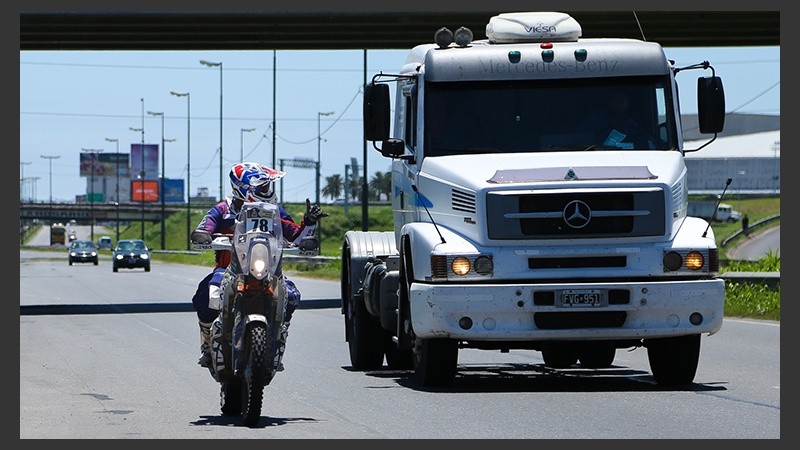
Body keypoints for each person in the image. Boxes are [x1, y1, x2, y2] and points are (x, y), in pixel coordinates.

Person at [190, 161, 327, 369]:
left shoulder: (275, 211)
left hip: (268, 270)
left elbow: (297, 238)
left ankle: (279, 340)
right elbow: (205, 227)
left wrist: (308, 222)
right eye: (262, 187)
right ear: (244, 189)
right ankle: (208, 344)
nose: (267, 190)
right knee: (207, 294)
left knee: (290, 295)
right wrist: (203, 235)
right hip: (229, 269)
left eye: (266, 187)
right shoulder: (222, 209)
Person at [580, 90, 655, 149]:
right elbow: (582, 140)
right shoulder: (593, 120)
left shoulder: (631, 124)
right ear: (608, 103)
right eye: (614, 101)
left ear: (628, 104)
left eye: (621, 102)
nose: (617, 104)